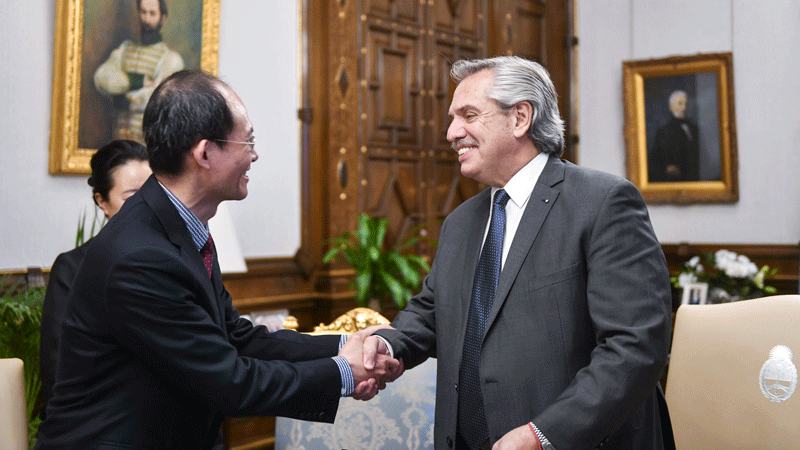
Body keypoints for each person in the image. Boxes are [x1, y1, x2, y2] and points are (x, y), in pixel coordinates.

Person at [35, 70, 401, 449]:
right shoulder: (141, 255)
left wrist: (344, 343)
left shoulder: (176, 227)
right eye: (248, 141)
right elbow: (229, 383)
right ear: (205, 153)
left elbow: (235, 337)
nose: (254, 154)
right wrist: (344, 372)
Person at [364, 56, 674, 450]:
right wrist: (389, 344)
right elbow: (432, 311)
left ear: (520, 118)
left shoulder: (602, 203)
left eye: (468, 115)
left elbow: (635, 347)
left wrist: (544, 435)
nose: (452, 132)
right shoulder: (460, 222)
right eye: (453, 119)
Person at [39, 140, 151, 420]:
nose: (148, 205)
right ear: (102, 202)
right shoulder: (72, 269)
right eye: (132, 196)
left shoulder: (177, 258)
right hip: (102, 423)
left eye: (154, 193)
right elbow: (58, 369)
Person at [94, 0, 184, 143]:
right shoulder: (125, 49)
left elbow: (157, 98)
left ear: (162, 18)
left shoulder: (171, 59)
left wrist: (124, 100)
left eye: (152, 13)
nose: (146, 19)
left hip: (148, 144)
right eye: (143, 12)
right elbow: (101, 79)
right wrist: (137, 80)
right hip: (118, 141)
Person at [648, 90, 700, 182]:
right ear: (671, 107)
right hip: (675, 180)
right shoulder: (664, 131)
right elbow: (656, 160)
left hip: (694, 177)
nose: (684, 107)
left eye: (686, 104)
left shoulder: (693, 128)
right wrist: (666, 168)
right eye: (680, 103)